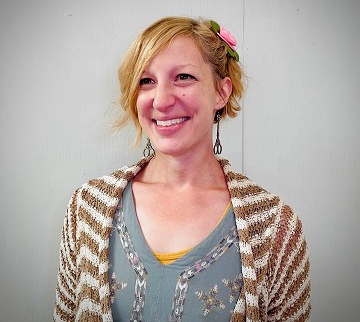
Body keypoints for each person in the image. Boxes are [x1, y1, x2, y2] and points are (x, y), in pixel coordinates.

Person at [53, 16, 311, 322]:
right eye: (146, 81)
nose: (161, 100)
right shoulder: (87, 210)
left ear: (221, 92)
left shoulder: (275, 228)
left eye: (184, 77)